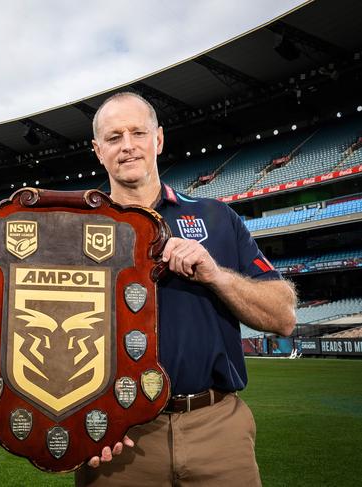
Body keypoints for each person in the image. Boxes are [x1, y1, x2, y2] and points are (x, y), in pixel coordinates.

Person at [76, 92, 297, 486]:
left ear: (158, 140)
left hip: (215, 426)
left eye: (137, 132)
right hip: (118, 432)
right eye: (113, 137)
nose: (127, 146)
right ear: (97, 150)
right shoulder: (73, 232)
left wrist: (217, 275)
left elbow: (283, 317)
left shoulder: (216, 217)